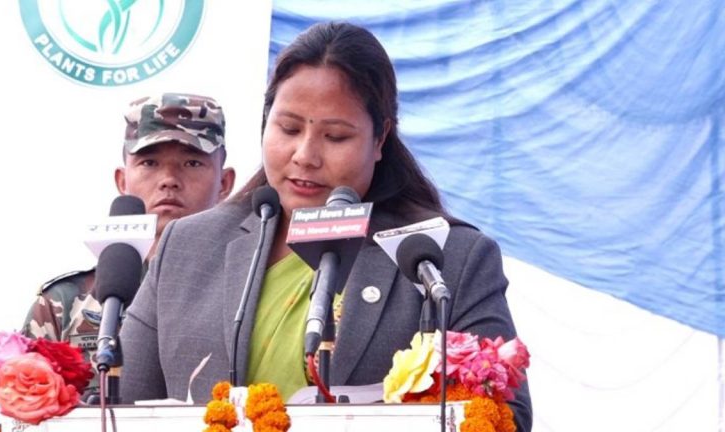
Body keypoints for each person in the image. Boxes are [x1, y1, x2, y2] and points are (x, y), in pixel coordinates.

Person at [120, 22, 532, 430]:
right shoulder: (189, 245)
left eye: (335, 137)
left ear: (380, 139)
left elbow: (505, 417)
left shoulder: (447, 258)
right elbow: (119, 407)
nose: (305, 155)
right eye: (289, 128)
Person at [21, 93, 236, 397]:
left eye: (191, 162)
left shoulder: (250, 292)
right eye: (149, 162)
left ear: (225, 183)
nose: (169, 180)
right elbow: (21, 409)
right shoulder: (64, 304)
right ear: (122, 181)